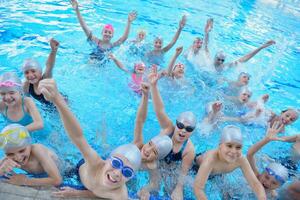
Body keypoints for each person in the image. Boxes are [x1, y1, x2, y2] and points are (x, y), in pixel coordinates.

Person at [38, 79, 141, 199]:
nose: (117, 173)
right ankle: (102, 124)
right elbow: (77, 137)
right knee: (93, 145)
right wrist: (58, 100)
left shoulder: (120, 195)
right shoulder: (94, 162)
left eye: (127, 172)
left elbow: (99, 192)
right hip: (82, 166)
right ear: (108, 160)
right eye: (116, 163)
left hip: (90, 181)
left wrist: (77, 193)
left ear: (130, 177)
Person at [148, 66, 196, 199]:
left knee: (175, 191)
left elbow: (183, 172)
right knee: (153, 185)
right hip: (154, 160)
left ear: (192, 132)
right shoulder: (168, 129)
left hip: (171, 168)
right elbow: (160, 110)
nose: (183, 130)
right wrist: (154, 86)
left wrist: (178, 189)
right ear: (176, 124)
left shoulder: (189, 150)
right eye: (180, 125)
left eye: (188, 129)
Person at [193, 125, 266, 200]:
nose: (234, 151)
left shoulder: (241, 160)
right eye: (229, 146)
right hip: (195, 169)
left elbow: (255, 183)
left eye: (238, 147)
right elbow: (198, 188)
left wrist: (262, 198)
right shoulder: (210, 160)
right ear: (220, 146)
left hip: (216, 173)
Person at [131, 82, 173, 199]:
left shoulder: (151, 166)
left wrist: (145, 189)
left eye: (154, 151)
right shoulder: (138, 145)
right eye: (149, 144)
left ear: (157, 157)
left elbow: (155, 183)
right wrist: (145, 96)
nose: (147, 150)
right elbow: (140, 121)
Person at [71, 0, 137, 60]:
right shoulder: (96, 41)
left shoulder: (113, 45)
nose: (107, 34)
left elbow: (124, 38)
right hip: (91, 64)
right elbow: (84, 28)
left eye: (109, 32)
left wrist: (129, 22)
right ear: (102, 33)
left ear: (112, 35)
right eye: (105, 31)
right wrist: (77, 10)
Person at [247, 122, 289, 197]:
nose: (268, 183)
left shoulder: (272, 196)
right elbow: (250, 154)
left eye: (274, 183)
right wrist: (266, 140)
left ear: (279, 186)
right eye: (266, 177)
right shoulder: (255, 176)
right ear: (262, 173)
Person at [22, 38, 59, 105]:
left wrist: (54, 50)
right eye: (26, 72)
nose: (30, 75)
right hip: (48, 109)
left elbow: (49, 66)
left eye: (33, 71)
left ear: (40, 72)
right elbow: (26, 100)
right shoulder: (26, 85)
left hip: (61, 103)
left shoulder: (45, 79)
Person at [208, 40, 276, 73]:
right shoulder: (207, 63)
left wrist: (261, 47)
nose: (220, 62)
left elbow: (244, 59)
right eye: (218, 59)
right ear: (214, 57)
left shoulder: (225, 66)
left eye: (222, 60)